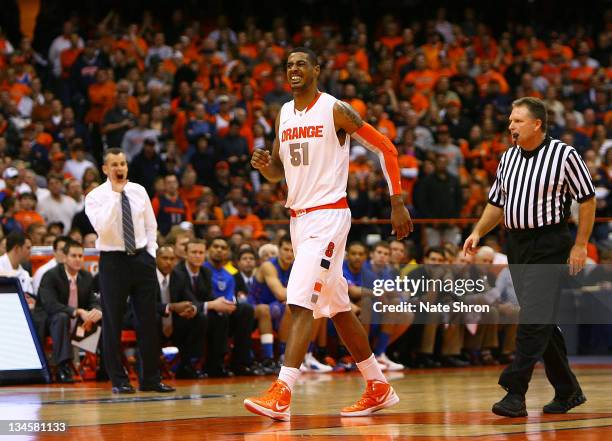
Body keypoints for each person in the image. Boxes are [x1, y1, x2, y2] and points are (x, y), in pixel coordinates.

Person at [244, 47, 412, 421]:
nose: (293, 69)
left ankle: (283, 389)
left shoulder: (335, 109)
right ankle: (378, 385)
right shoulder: (284, 113)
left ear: (317, 70)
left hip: (328, 217)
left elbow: (385, 146)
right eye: (289, 65)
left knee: (300, 301)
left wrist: (396, 200)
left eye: (301, 63)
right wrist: (264, 166)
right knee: (337, 308)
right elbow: (277, 174)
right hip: (299, 220)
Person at [463, 97, 596, 417]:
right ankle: (568, 391)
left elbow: (588, 199)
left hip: (550, 242)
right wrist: (478, 231)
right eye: (510, 121)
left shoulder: (564, 154)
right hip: (517, 243)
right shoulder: (508, 158)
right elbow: (496, 202)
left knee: (533, 316)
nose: (510, 126)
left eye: (518, 121)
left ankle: (515, 390)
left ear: (536, 124)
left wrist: (580, 245)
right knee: (542, 319)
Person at [85, 148, 174, 394]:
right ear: (105, 169)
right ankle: (119, 380)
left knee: (148, 320)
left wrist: (151, 254)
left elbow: (150, 225)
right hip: (113, 261)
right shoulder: (95, 196)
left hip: (141, 259)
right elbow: (103, 227)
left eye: (122, 163)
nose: (119, 168)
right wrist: (115, 195)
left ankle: (150, 379)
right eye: (114, 164)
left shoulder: (139, 191)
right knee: (112, 322)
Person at [38, 240, 101, 383]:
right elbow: (50, 305)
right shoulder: (51, 276)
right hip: (50, 323)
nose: (78, 259)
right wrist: (77, 311)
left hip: (78, 324)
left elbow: (93, 301)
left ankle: (104, 366)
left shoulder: (86, 277)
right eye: (74, 256)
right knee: (61, 317)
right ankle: (62, 367)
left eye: (80, 256)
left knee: (100, 316)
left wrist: (96, 311)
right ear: (64, 257)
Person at [156, 245, 205, 379]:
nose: (168, 262)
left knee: (198, 318)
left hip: (174, 323)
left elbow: (192, 300)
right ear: (156, 259)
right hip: (151, 320)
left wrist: (191, 309)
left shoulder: (179, 276)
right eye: (164, 258)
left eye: (172, 259)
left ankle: (188, 364)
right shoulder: (147, 276)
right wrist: (171, 307)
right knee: (151, 317)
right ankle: (153, 367)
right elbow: (144, 305)